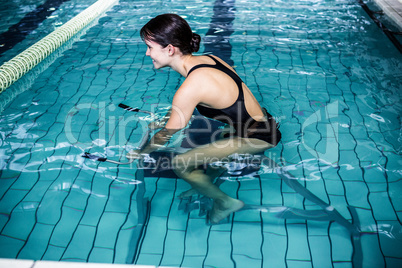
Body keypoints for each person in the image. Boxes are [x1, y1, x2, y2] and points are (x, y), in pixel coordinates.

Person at [133, 13, 281, 224]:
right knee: (216, 149)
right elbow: (184, 105)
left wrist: (141, 153)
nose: (147, 54)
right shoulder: (208, 60)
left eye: (150, 47)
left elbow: (167, 134)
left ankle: (225, 202)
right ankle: (203, 187)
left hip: (259, 136)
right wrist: (164, 119)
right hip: (259, 123)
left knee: (181, 164)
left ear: (169, 49)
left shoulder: (191, 87)